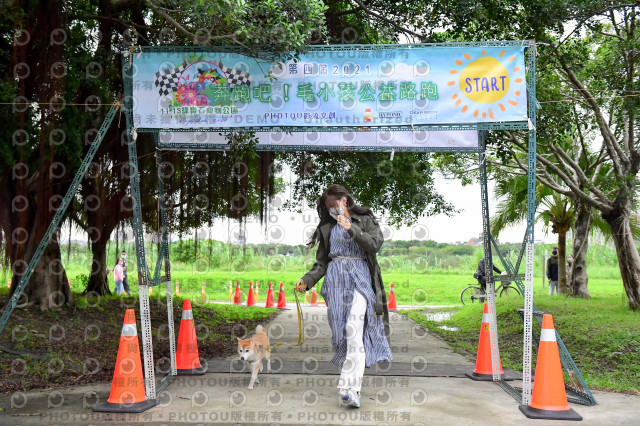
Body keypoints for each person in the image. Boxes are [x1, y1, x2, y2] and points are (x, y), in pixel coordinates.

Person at [295, 184, 392, 409]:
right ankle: (348, 388)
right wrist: (307, 280)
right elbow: (322, 263)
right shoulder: (327, 228)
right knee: (342, 336)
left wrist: (350, 228)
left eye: (334, 205)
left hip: (360, 279)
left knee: (353, 330)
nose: (331, 210)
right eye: (327, 207)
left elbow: (375, 245)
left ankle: (350, 389)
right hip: (335, 283)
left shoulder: (364, 219)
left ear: (345, 200)